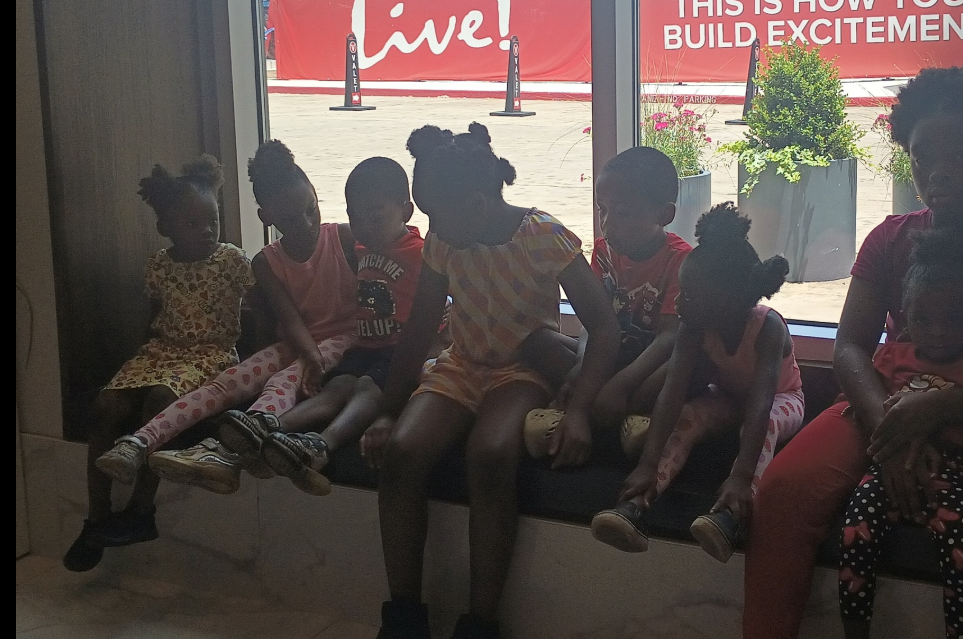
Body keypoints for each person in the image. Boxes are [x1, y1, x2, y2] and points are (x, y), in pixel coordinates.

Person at [743, 65, 963, 639]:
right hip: (890, 402)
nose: (937, 171)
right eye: (923, 154)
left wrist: (936, 412)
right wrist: (891, 428)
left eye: (960, 154)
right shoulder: (891, 238)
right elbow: (851, 346)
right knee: (782, 493)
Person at [362, 122, 620, 639]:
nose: (430, 226)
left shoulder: (544, 236)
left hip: (520, 371)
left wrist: (578, 411)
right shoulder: (445, 241)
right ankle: (405, 618)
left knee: (490, 454)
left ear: (477, 206)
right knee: (403, 453)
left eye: (436, 214)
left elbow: (607, 328)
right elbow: (419, 329)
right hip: (461, 364)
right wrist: (389, 410)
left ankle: (480, 623)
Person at [95, 140, 358, 495]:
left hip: (344, 338)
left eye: (312, 209)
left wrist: (310, 356)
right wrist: (299, 352)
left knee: (282, 382)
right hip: (299, 340)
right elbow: (288, 318)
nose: (308, 223)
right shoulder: (267, 261)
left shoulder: (341, 237)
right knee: (230, 380)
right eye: (293, 218)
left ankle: (222, 450)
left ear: (315, 194)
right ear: (267, 217)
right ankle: (140, 442)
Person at [63, 156, 253, 572]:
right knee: (106, 407)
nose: (206, 231)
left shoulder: (231, 260)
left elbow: (257, 310)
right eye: (193, 224)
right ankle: (97, 519)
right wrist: (132, 363)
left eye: (213, 221)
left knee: (160, 400)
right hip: (162, 351)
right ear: (165, 227)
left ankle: (140, 510)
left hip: (211, 354)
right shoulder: (159, 266)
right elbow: (150, 318)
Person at [591, 203, 804, 564]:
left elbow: (760, 404)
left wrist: (739, 475)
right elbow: (671, 395)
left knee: (766, 422)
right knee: (689, 414)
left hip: (782, 400)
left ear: (725, 302)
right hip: (728, 397)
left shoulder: (768, 329)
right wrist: (646, 463)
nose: (678, 302)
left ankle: (732, 513)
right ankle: (638, 504)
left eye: (687, 295)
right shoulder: (693, 328)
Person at [838, 227, 963, 639]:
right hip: (888, 469)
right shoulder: (890, 358)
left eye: (951, 320)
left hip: (952, 475)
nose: (936, 331)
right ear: (905, 315)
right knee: (855, 528)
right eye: (923, 318)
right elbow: (865, 403)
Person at [236, 157, 435, 496]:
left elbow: (442, 313)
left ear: (407, 210)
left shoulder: (422, 254)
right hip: (366, 348)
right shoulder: (358, 247)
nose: (366, 227)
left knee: (368, 389)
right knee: (338, 385)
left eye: (376, 217)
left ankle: (321, 444)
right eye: (356, 218)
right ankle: (266, 428)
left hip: (400, 353)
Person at [522, 146, 691, 460]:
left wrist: (622, 385)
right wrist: (584, 367)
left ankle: (626, 417)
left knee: (682, 370)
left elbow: (670, 337)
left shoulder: (681, 261)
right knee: (539, 342)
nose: (607, 223)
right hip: (609, 354)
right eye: (602, 209)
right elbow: (594, 322)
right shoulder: (603, 250)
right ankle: (607, 415)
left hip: (648, 365)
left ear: (663, 215)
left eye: (622, 213)